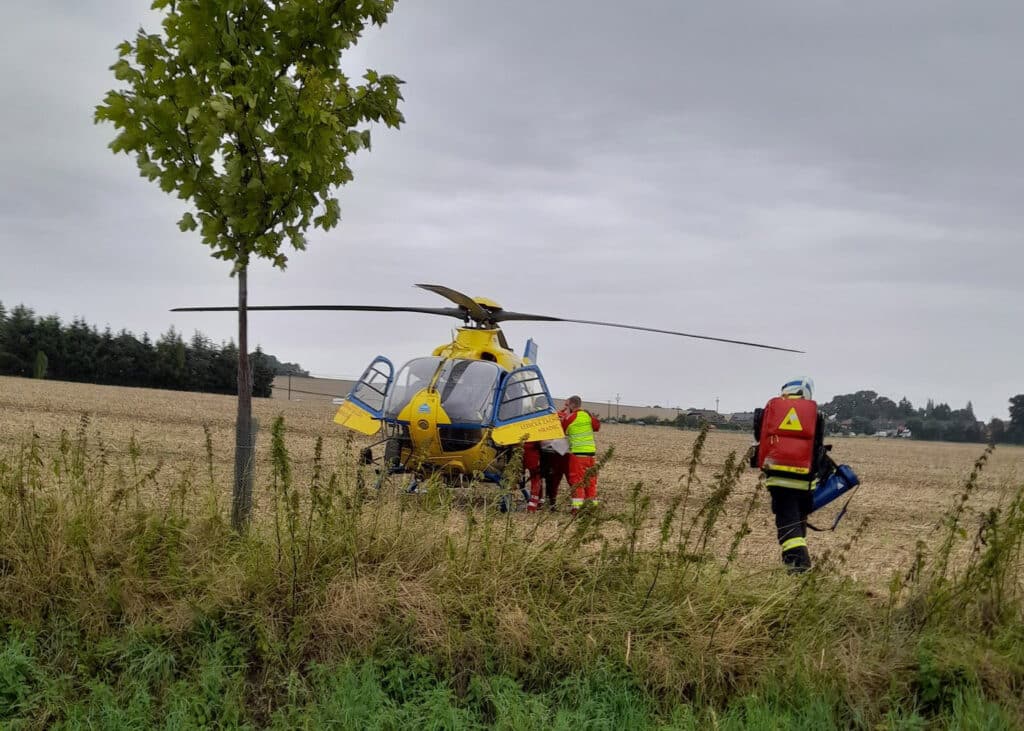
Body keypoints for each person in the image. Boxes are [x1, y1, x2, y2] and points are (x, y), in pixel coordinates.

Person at [751, 377, 825, 573]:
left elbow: (761, 438)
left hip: (780, 482)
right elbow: (817, 447)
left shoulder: (773, 410)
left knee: (788, 528)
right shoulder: (815, 415)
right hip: (806, 484)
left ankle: (798, 567)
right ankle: (797, 568)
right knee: (798, 525)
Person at [559, 395, 601, 513]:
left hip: (578, 455)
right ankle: (591, 508)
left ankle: (577, 509)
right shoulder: (587, 415)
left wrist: (563, 415)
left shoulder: (571, 417)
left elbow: (561, 429)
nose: (565, 407)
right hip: (591, 455)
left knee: (577, 482)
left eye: (567, 405)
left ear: (572, 405)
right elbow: (596, 427)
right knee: (591, 482)